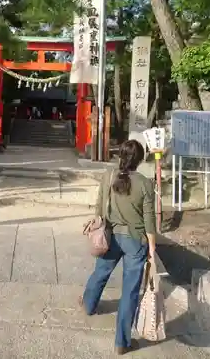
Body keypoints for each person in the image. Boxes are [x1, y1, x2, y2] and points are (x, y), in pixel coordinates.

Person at [81, 139, 156, 356]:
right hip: (135, 241)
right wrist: (152, 247)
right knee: (130, 290)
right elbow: (149, 220)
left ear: (121, 156)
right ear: (139, 160)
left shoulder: (109, 175)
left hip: (111, 236)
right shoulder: (144, 183)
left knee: (101, 272)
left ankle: (89, 305)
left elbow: (99, 205)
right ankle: (122, 342)